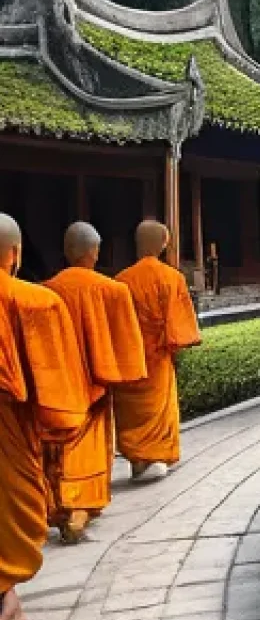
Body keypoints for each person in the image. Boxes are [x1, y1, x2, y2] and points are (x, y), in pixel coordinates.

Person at [0, 214, 90, 620]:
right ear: (15, 254)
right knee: (12, 505)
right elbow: (56, 391)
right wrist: (59, 434)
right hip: (10, 427)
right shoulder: (34, 302)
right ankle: (6, 601)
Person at [44, 222, 147, 543]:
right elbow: (126, 343)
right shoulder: (112, 290)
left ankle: (62, 504)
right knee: (88, 445)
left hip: (57, 387)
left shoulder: (46, 290)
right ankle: (79, 507)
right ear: (94, 252)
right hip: (95, 385)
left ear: (66, 251)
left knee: (58, 448)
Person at [113, 220, 201, 481]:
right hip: (158, 356)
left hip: (130, 358)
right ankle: (157, 456)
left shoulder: (120, 281)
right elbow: (179, 326)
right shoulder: (172, 277)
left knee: (131, 412)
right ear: (163, 244)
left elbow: (115, 327)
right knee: (159, 408)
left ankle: (139, 461)